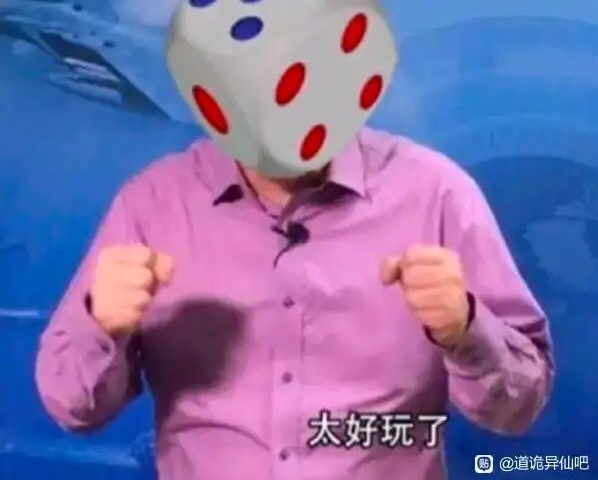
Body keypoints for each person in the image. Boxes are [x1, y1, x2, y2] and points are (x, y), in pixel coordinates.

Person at [35, 127, 554, 480]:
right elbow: (71, 407)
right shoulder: (153, 203)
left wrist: (466, 331)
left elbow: (519, 407)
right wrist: (100, 327)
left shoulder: (436, 193)